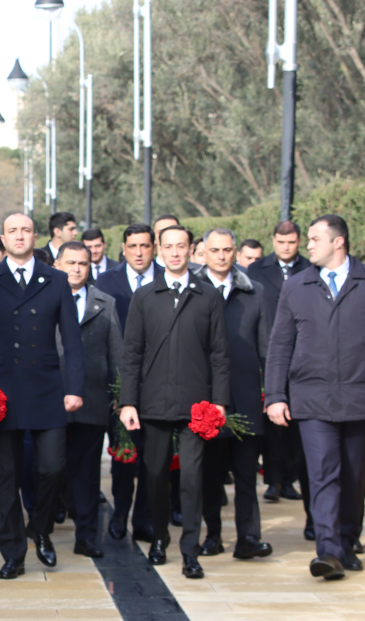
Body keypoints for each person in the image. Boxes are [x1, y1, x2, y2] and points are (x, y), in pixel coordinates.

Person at [264, 215, 365, 579]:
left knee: (353, 474)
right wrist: (276, 396)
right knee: (323, 473)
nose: (307, 245)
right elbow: (280, 344)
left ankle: (347, 541)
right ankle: (327, 552)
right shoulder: (297, 286)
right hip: (312, 399)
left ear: (338, 242)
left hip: (362, 396)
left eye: (315, 239)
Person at [0, 213, 84, 578]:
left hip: (47, 389)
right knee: (8, 476)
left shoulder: (56, 279)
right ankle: (13, 553)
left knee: (52, 467)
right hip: (1, 391)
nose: (19, 236)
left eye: (26, 230)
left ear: (36, 236)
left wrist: (74, 388)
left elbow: (73, 341)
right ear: (2, 237)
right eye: (12, 230)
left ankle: (42, 529)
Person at [118, 224, 230, 580]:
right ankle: (159, 538)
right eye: (168, 246)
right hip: (152, 404)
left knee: (193, 478)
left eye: (182, 246)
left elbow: (220, 354)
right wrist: (127, 402)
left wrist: (220, 402)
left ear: (190, 249)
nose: (176, 252)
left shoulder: (208, 295)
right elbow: (131, 353)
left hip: (197, 405)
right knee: (154, 476)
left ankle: (190, 551)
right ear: (159, 251)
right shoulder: (146, 295)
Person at [195, 229, 274, 561]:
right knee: (210, 474)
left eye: (228, 250)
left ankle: (249, 537)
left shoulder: (256, 293)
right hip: (205, 398)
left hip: (244, 397)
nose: (222, 256)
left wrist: (272, 394)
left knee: (245, 474)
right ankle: (212, 535)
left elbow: (267, 348)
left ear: (236, 252)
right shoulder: (192, 290)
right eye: (215, 250)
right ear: (205, 253)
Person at [53, 241, 121, 559]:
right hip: (50, 400)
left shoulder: (105, 303)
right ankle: (43, 523)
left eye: (83, 263)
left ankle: (86, 535)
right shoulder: (44, 301)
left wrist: (121, 396)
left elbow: (116, 353)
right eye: (70, 263)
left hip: (92, 401)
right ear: (57, 265)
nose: (77, 269)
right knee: (50, 468)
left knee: (88, 472)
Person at [94, 223, 157, 542]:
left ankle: (144, 517)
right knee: (123, 453)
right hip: (116, 383)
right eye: (133, 246)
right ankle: (120, 513)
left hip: (158, 382)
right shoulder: (106, 281)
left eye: (145, 246)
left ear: (153, 247)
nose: (139, 252)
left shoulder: (165, 279)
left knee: (151, 455)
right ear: (123, 248)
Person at [247, 221, 313, 509]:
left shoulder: (311, 269)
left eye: (292, 242)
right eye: (281, 242)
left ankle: (290, 479)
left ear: (298, 242)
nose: (286, 247)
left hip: (303, 355)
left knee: (297, 423)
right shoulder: (257, 270)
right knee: (272, 422)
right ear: (273, 240)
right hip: (268, 353)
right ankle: (273, 480)